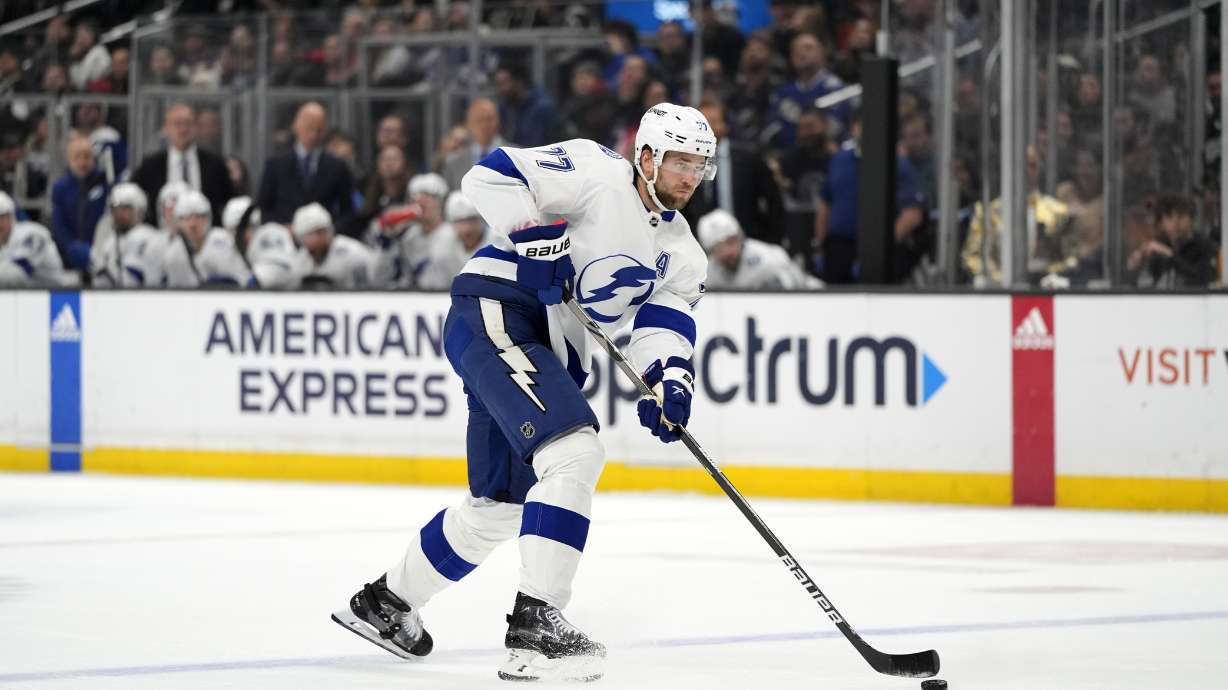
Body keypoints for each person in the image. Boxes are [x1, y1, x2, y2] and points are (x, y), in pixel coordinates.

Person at [332, 103, 714, 683]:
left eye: (699, 165)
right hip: (498, 309)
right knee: (575, 453)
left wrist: (670, 380)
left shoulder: (683, 253)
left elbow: (662, 328)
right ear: (646, 156)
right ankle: (537, 624)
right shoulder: (594, 171)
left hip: (546, 343)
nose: (689, 177)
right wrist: (537, 239)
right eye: (679, 161)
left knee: (499, 510)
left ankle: (385, 605)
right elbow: (489, 175)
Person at [130, 104, 235, 225]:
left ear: (196, 127)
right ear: (166, 128)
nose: (183, 129)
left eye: (188, 123)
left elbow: (230, 201)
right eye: (177, 124)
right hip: (161, 237)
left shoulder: (215, 164)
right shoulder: (151, 165)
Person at [257, 102, 356, 229]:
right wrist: (283, 228)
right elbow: (264, 208)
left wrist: (327, 232)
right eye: (309, 128)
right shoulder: (275, 165)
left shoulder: (337, 166)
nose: (313, 135)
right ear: (296, 126)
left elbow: (347, 211)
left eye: (319, 130)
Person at [698, 209, 817, 290]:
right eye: (718, 248)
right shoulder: (707, 274)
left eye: (731, 242)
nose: (727, 252)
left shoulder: (767, 258)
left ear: (740, 238)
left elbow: (794, 291)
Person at [160, 190, 252, 288]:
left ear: (208, 218)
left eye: (199, 217)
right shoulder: (173, 253)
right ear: (178, 222)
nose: (193, 224)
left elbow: (242, 282)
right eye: (187, 218)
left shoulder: (221, 241)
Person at [373, 172, 449, 287]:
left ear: (441, 202)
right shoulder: (408, 236)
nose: (421, 202)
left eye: (429, 197)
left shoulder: (453, 234)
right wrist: (386, 243)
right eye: (416, 197)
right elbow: (378, 279)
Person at [1128, 192, 1218, 288]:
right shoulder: (1159, 245)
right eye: (1169, 217)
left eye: (1180, 216)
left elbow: (1204, 280)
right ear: (1162, 222)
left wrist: (1169, 255)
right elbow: (1141, 285)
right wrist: (1137, 265)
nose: (1175, 223)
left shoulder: (1205, 247)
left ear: (1192, 219)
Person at [50, 135, 109, 271]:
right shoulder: (61, 187)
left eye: (87, 156)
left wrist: (96, 249)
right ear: (69, 159)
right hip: (67, 257)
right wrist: (71, 246)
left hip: (99, 254)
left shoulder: (104, 183)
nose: (82, 162)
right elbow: (58, 223)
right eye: (77, 157)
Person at [90, 183, 166, 288]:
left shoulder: (149, 237)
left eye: (125, 208)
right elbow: (99, 282)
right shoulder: (109, 242)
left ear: (139, 210)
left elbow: (132, 281)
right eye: (115, 208)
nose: (118, 213)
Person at [291, 202, 375, 289]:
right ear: (301, 237)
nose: (322, 236)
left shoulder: (353, 254)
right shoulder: (300, 259)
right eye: (316, 232)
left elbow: (365, 291)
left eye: (324, 231)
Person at [417, 190, 489, 289]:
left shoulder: (499, 244)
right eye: (460, 221)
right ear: (451, 223)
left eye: (472, 220)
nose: (467, 228)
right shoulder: (441, 244)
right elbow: (432, 289)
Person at [441, 99, 509, 191]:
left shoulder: (517, 156)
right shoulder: (454, 163)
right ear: (469, 124)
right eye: (479, 120)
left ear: (498, 122)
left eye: (489, 119)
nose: (485, 125)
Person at [0, 190, 64, 287]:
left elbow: (17, 273)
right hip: (21, 296)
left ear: (11, 216)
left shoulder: (32, 234)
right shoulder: (3, 243)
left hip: (54, 296)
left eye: (1, 217)